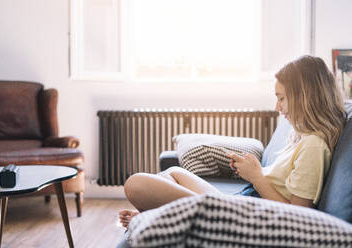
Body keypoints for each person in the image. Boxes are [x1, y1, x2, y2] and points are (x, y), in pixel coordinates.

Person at [119, 55, 347, 228]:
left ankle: (157, 220)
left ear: (304, 97)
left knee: (136, 184)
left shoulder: (314, 147)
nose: (277, 107)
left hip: (246, 215)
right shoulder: (302, 137)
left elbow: (298, 217)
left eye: (281, 99)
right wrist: (252, 172)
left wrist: (256, 176)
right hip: (242, 202)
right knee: (174, 173)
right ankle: (161, 219)